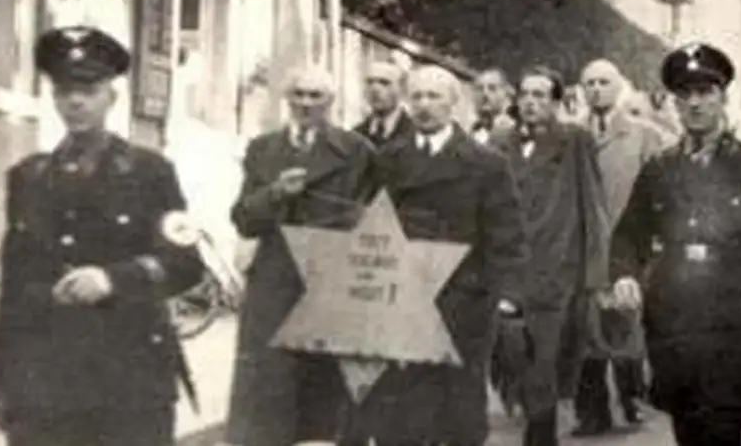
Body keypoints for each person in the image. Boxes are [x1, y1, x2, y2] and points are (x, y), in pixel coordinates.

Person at [0, 26, 206, 445]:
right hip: (44, 381)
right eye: (64, 91)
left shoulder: (149, 172)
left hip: (129, 379)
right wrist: (1, 382)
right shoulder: (28, 178)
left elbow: (185, 263)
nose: (75, 102)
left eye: (89, 90)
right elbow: (14, 286)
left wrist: (113, 279)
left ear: (112, 96)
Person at [609, 43, 741, 446]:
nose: (695, 103)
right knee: (687, 428)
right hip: (675, 321)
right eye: (685, 94)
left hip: (735, 321)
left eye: (705, 92)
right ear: (673, 104)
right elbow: (627, 234)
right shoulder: (659, 170)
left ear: (723, 98)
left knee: (723, 429)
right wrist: (624, 275)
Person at [351, 65, 529, 446]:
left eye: (434, 96)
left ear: (453, 102)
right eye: (416, 96)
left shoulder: (486, 164)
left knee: (459, 408)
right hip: (402, 298)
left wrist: (506, 295)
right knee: (401, 409)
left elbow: (506, 235)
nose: (424, 105)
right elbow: (367, 226)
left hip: (464, 299)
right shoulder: (387, 160)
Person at [225, 66, 376, 446]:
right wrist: (275, 193)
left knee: (326, 394)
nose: (306, 104)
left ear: (331, 102)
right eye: (299, 95)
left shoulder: (356, 151)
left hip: (330, 282)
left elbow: (376, 219)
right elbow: (243, 219)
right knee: (269, 390)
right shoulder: (263, 149)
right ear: (287, 98)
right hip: (274, 283)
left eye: (315, 96)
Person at [490, 65, 610, 446]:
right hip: (510, 273)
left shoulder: (575, 140)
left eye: (540, 95)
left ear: (557, 102)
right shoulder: (503, 142)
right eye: (525, 94)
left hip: (558, 271)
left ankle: (540, 437)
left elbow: (593, 206)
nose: (530, 102)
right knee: (513, 359)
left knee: (545, 363)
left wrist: (596, 276)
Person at [572, 59, 663, 436]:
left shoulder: (644, 135)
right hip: (583, 246)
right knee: (585, 329)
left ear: (618, 87)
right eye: (589, 83)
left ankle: (632, 399)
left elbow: (661, 192)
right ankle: (591, 413)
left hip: (629, 244)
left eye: (603, 82)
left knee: (626, 322)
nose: (596, 90)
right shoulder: (570, 136)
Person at [353, 61, 414, 150]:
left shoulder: (416, 135)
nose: (375, 89)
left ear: (401, 88)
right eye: (370, 82)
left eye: (384, 83)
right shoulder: (355, 136)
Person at [469, 68, 517, 145]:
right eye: (479, 88)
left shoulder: (515, 134)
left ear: (506, 96)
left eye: (492, 88)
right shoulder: (473, 132)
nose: (485, 93)